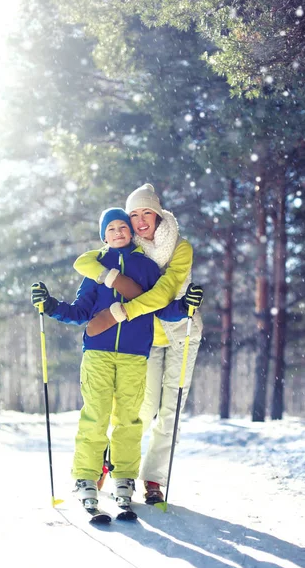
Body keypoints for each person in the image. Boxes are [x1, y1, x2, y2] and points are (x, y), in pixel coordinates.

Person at [30, 207, 191, 514]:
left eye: (123, 227)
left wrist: (185, 306)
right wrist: (50, 305)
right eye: (111, 229)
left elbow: (161, 307)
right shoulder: (96, 268)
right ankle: (86, 477)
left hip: (134, 355)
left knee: (130, 419)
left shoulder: (145, 267)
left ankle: (124, 477)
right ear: (103, 235)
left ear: (131, 232)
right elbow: (80, 312)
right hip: (97, 353)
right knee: (96, 414)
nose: (118, 232)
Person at [73, 184, 203, 504]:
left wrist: (120, 313)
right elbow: (88, 261)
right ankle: (114, 461)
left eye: (147, 212)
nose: (141, 219)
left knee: (171, 410)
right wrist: (113, 279)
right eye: (134, 214)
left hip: (181, 331)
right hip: (145, 338)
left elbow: (164, 291)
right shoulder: (130, 249)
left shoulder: (180, 247)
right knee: (141, 410)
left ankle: (155, 479)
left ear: (158, 214)